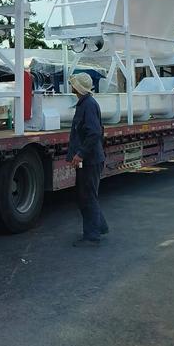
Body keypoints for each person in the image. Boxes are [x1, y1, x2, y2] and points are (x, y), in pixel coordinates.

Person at [67, 72, 109, 247]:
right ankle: (99, 227)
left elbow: (94, 133)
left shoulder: (88, 105)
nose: (71, 86)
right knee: (85, 195)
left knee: (87, 196)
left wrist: (80, 154)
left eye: (73, 84)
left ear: (78, 88)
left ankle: (92, 236)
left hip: (90, 160)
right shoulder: (85, 103)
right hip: (89, 159)